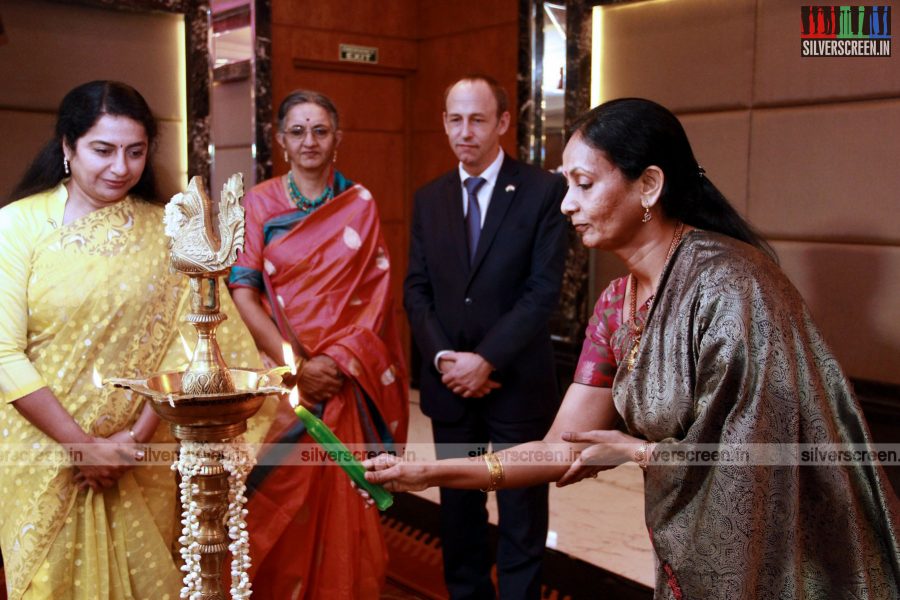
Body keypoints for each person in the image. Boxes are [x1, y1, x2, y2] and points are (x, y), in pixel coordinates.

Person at [369, 98, 900, 599]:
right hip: (686, 555)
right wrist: (429, 474)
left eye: (583, 184)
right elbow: (563, 448)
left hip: (784, 560)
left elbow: (761, 457)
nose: (566, 204)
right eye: (565, 184)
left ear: (648, 185)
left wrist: (637, 452)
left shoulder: (733, 286)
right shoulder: (616, 304)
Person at [0, 80, 267, 600]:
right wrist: (81, 447)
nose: (120, 167)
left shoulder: (172, 233)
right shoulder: (16, 227)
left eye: (135, 151)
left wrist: (132, 442)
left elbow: (199, 346)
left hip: (142, 455)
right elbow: (3, 352)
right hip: (41, 455)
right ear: (66, 147)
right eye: (102, 150)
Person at [228, 89, 408, 599]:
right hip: (283, 386)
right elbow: (243, 291)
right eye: (298, 131)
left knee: (344, 500)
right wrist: (297, 366)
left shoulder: (360, 204)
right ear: (282, 140)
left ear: (337, 140)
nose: (310, 141)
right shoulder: (259, 203)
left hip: (344, 380)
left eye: (321, 130)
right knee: (275, 501)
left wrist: (333, 361)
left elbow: (375, 294)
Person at [403, 74, 568, 600]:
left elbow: (543, 293)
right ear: (444, 123)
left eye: (477, 119)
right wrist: (447, 358)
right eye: (455, 119)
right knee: (459, 514)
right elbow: (416, 289)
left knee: (521, 514)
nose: (465, 131)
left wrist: (487, 360)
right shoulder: (429, 198)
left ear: (502, 122)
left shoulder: (544, 191)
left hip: (516, 385)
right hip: (451, 388)